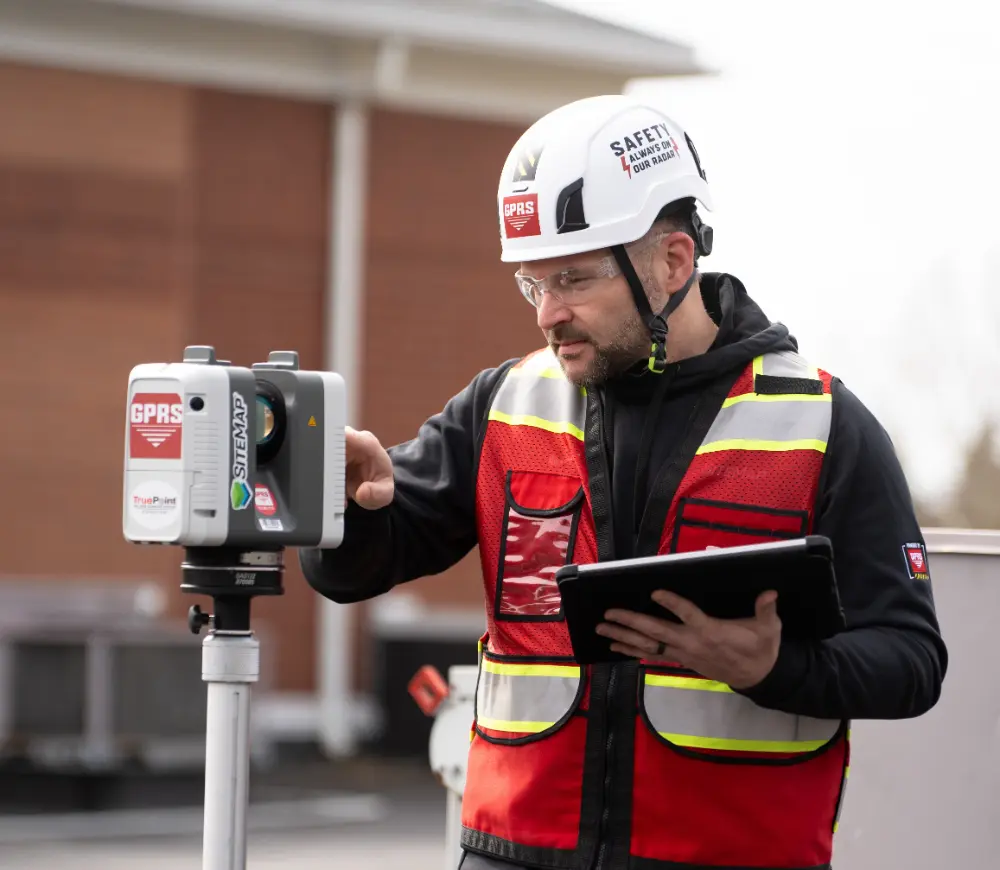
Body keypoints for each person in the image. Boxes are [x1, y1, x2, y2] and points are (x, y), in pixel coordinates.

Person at [300, 95, 947, 870]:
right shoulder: (502, 407)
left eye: (572, 280)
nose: (548, 314)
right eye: (531, 284)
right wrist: (346, 510)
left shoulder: (823, 425)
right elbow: (355, 570)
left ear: (674, 263)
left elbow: (912, 662)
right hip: (511, 853)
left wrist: (777, 669)